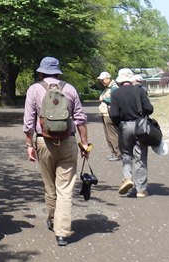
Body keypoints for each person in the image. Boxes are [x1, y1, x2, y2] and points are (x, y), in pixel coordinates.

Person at [23, 57, 90, 247]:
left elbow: (28, 122)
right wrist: (84, 144)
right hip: (68, 141)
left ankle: (53, 219)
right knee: (65, 188)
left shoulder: (34, 89)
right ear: (58, 72)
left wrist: (29, 145)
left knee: (49, 186)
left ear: (41, 72)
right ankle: (62, 232)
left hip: (44, 142)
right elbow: (80, 119)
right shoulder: (69, 89)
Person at [109, 67, 154, 198]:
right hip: (140, 126)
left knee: (126, 154)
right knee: (140, 156)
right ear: (131, 78)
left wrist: (120, 125)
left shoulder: (115, 93)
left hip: (124, 126)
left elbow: (114, 114)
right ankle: (141, 189)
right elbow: (149, 109)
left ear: (120, 80)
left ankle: (127, 178)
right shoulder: (139, 91)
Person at [97, 71, 121, 161]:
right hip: (105, 113)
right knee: (108, 135)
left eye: (103, 80)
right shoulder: (107, 88)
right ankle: (113, 152)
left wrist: (104, 99)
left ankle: (118, 153)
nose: (101, 82)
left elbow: (114, 99)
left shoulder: (114, 87)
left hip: (109, 114)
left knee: (112, 135)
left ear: (108, 78)